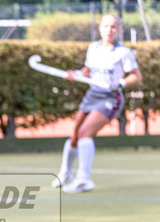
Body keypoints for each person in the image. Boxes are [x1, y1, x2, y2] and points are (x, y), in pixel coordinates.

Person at [52, 13, 142, 194]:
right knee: (75, 135)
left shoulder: (123, 52)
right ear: (100, 28)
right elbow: (87, 71)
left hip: (110, 98)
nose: (109, 30)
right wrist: (75, 74)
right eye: (106, 26)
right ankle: (65, 174)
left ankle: (84, 179)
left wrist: (121, 82)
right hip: (92, 94)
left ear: (118, 30)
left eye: (113, 27)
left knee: (85, 133)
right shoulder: (93, 48)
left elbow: (136, 76)